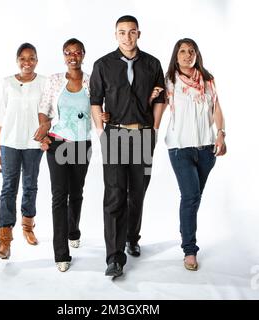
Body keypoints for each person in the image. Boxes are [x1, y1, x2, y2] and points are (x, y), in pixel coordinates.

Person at [90, 15, 165, 278]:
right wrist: (102, 132)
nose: (127, 37)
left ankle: (132, 236)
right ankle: (114, 257)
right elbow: (96, 101)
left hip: (143, 135)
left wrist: (153, 129)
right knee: (114, 194)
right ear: (115, 35)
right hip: (115, 135)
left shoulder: (153, 64)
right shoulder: (102, 65)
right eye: (122, 32)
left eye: (132, 32)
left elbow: (160, 98)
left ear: (139, 34)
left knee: (138, 192)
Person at [34, 38, 109, 272]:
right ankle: (61, 254)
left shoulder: (92, 81)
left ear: (83, 54)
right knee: (59, 196)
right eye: (68, 53)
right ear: (63, 56)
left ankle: (73, 230)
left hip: (81, 145)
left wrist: (104, 118)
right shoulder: (55, 80)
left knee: (76, 193)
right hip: (58, 144)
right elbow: (43, 110)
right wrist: (45, 135)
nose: (72, 56)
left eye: (77, 52)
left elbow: (98, 110)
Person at [163, 38, 226, 271]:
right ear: (176, 55)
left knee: (194, 198)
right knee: (190, 197)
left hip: (207, 149)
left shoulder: (208, 80)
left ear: (197, 54)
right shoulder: (169, 80)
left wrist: (221, 133)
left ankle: (185, 227)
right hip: (180, 148)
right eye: (182, 51)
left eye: (191, 51)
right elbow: (156, 106)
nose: (187, 55)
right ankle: (189, 249)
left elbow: (217, 108)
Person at [0, 43, 46, 259]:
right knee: (8, 188)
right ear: (17, 60)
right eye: (23, 58)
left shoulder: (43, 83)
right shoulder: (7, 83)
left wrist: (46, 137)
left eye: (32, 58)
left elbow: (49, 113)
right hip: (9, 143)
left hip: (34, 144)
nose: (27, 62)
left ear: (36, 60)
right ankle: (4, 238)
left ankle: (28, 226)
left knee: (30, 185)